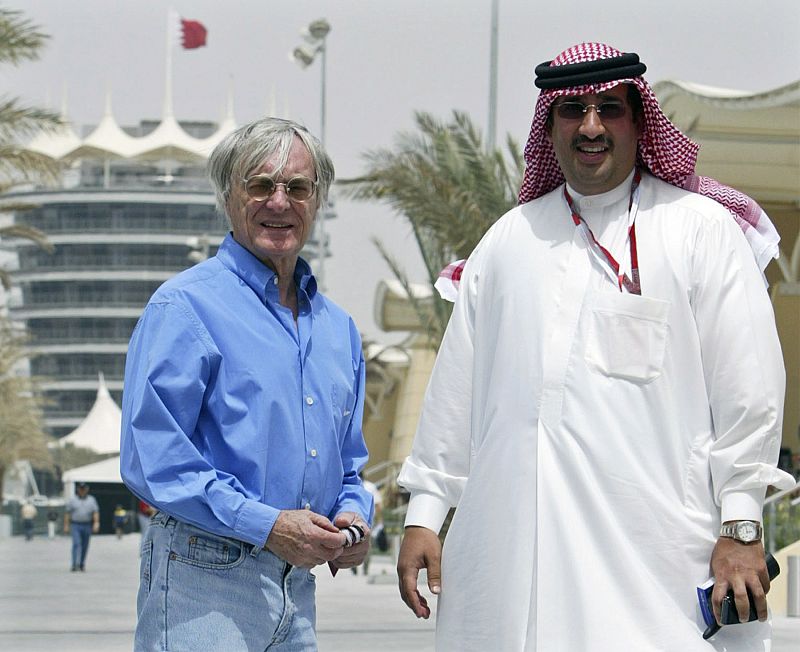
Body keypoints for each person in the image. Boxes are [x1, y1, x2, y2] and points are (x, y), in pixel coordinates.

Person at [396, 42, 796, 651]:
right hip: (513, 570)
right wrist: (425, 513)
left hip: (653, 567)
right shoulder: (508, 241)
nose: (590, 126)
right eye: (572, 110)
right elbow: (455, 392)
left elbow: (750, 389)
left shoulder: (699, 230)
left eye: (609, 108)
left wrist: (741, 524)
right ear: (548, 126)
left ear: (639, 121)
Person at [120, 117, 374, 651]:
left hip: (296, 590)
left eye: (297, 187)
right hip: (203, 580)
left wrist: (352, 517)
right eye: (260, 185)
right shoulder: (185, 308)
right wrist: (267, 524)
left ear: (318, 199)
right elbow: (153, 461)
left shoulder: (339, 330)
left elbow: (349, 464)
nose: (279, 202)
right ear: (228, 196)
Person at [64, 482, 100, 571]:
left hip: (87, 524)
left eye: (84, 489)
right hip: (76, 524)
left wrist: (96, 523)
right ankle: (74, 564)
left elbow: (95, 512)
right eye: (81, 489)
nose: (82, 491)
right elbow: (68, 513)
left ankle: (81, 563)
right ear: (78, 490)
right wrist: (66, 525)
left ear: (87, 489)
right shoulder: (73, 500)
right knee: (76, 543)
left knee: (85, 545)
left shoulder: (91, 500)